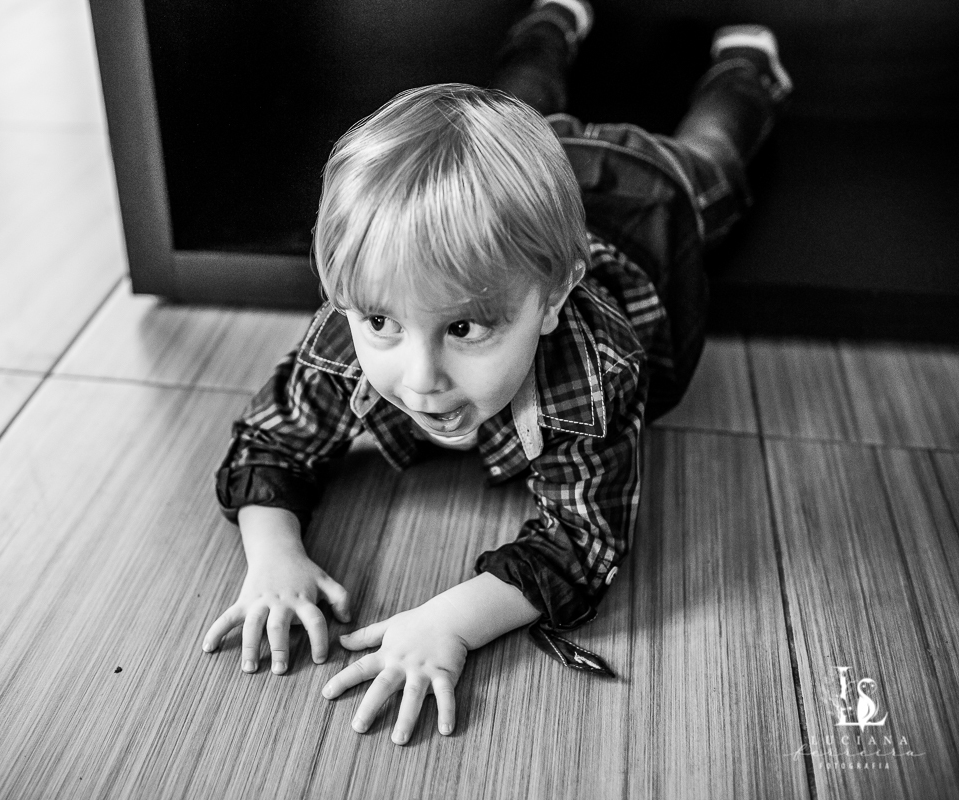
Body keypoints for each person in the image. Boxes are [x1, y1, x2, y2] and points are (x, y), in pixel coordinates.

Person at [202, 0, 792, 746]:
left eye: (464, 329)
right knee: (518, 100)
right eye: (381, 322)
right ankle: (552, 24)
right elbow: (270, 441)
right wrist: (274, 554)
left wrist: (450, 620)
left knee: (713, 162)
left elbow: (582, 541)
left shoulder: (593, 374)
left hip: (637, 199)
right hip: (513, 187)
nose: (419, 377)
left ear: (550, 302)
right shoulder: (358, 318)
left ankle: (749, 72)